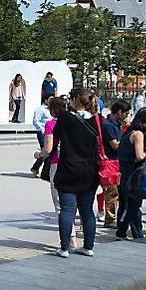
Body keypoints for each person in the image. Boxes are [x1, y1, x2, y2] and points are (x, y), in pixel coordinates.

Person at [50, 88, 102, 258]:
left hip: (68, 170)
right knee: (87, 210)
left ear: (73, 100)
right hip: (89, 171)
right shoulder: (96, 119)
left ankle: (64, 248)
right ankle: (88, 246)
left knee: (66, 209)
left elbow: (56, 134)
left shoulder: (66, 118)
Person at [34, 97, 73, 248]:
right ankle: (82, 240)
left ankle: (70, 239)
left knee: (60, 204)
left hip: (58, 163)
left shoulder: (51, 124)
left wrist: (38, 155)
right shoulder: (76, 121)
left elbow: (48, 148)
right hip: (76, 163)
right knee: (75, 203)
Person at [116, 108, 146, 240]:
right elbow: (139, 156)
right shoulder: (138, 134)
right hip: (134, 174)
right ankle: (137, 234)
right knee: (133, 205)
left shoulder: (128, 132)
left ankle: (121, 232)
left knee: (124, 203)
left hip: (124, 172)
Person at [98, 100, 130, 228]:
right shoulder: (108, 125)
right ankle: (109, 218)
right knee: (112, 191)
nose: (127, 116)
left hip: (118, 160)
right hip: (111, 161)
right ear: (119, 112)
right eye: (126, 114)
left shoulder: (117, 124)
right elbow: (115, 145)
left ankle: (113, 216)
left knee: (118, 191)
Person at [31, 94, 53, 177]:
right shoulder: (40, 109)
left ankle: (45, 171)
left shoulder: (52, 109)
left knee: (49, 152)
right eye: (50, 99)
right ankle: (36, 168)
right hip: (43, 133)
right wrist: (43, 130)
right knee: (46, 151)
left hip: (51, 133)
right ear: (46, 100)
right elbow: (35, 121)